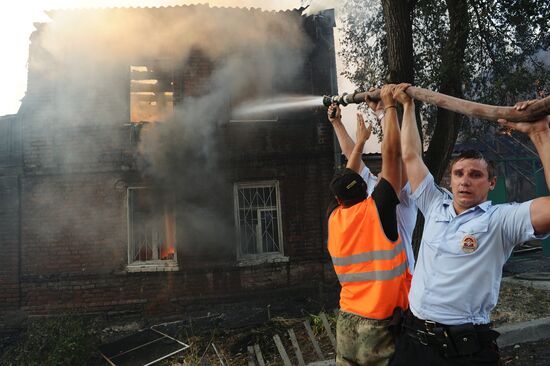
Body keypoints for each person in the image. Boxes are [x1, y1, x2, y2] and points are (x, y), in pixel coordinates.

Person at [389, 83, 550, 366]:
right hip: (412, 342)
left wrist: (540, 134)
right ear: (449, 179)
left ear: (491, 183)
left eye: (475, 174)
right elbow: (412, 156)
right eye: (459, 173)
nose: (465, 180)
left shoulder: (501, 220)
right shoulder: (433, 202)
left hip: (464, 352)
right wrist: (408, 106)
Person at [327, 85, 411, 366]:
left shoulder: (334, 217)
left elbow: (350, 172)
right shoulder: (380, 207)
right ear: (365, 189)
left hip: (347, 317)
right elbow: (393, 155)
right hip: (380, 318)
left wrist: (341, 125)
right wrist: (389, 109)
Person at [327, 92, 418, 274]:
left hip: (371, 293)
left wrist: (339, 125)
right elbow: (393, 153)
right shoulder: (377, 195)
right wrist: (384, 112)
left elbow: (355, 164)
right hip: (394, 289)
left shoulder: (339, 214)